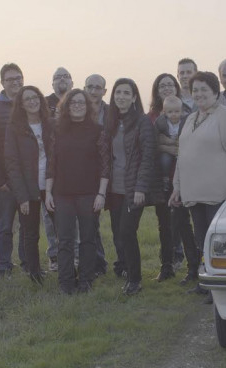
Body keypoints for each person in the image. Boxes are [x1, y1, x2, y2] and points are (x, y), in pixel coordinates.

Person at [169, 71, 226, 298]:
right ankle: (207, 283)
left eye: (204, 89)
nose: (199, 94)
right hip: (194, 193)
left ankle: (222, 288)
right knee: (202, 241)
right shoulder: (191, 118)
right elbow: (182, 155)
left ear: (215, 92)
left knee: (221, 245)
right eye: (195, 90)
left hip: (219, 194)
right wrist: (177, 186)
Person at [45, 89, 110, 294]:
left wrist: (101, 194)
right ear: (66, 106)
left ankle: (86, 280)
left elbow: (105, 165)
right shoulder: (57, 130)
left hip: (89, 194)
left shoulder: (98, 130)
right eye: (73, 102)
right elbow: (51, 163)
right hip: (62, 193)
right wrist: (48, 193)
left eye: (81, 102)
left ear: (88, 106)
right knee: (64, 239)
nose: (78, 106)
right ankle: (66, 282)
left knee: (88, 239)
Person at [105, 78, 156, 295]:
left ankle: (135, 279)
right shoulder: (111, 121)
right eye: (118, 92)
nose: (121, 97)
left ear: (134, 97)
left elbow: (148, 156)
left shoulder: (142, 122)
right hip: (114, 188)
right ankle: (125, 268)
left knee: (127, 232)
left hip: (133, 188)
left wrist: (140, 188)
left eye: (126, 93)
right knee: (118, 233)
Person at [4, 86, 54, 284]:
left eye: (35, 97)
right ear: (21, 105)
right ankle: (35, 273)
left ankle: (66, 267)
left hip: (51, 186)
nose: (32, 101)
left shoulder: (50, 124)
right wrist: (22, 196)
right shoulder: (15, 128)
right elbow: (12, 164)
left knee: (62, 229)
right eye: (27, 99)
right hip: (28, 188)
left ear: (41, 100)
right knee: (31, 233)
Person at [0, 63, 26, 279]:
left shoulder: (30, 105)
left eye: (19, 78)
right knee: (4, 226)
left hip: (27, 180)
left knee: (28, 226)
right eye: (10, 79)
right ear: (2, 83)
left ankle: (28, 264)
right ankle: (4, 266)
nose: (15, 82)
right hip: (5, 182)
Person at [153, 95, 200, 282]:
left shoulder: (188, 121)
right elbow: (154, 143)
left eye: (177, 111)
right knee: (167, 225)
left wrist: (170, 145)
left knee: (184, 224)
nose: (174, 114)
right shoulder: (158, 122)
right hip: (165, 183)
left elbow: (188, 145)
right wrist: (169, 146)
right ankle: (169, 266)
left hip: (185, 180)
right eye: (170, 111)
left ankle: (193, 266)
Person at [42, 67, 73, 272]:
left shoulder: (78, 100)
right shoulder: (44, 103)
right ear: (52, 83)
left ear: (72, 82)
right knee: (49, 213)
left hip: (74, 166)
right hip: (48, 166)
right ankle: (54, 255)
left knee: (75, 215)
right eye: (57, 77)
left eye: (66, 76)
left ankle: (75, 254)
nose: (62, 79)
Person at [84, 74, 110, 276]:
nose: (93, 91)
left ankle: (122, 265)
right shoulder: (78, 109)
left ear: (104, 91)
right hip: (86, 174)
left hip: (109, 172)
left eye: (98, 87)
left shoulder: (111, 113)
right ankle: (97, 264)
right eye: (90, 87)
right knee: (90, 222)